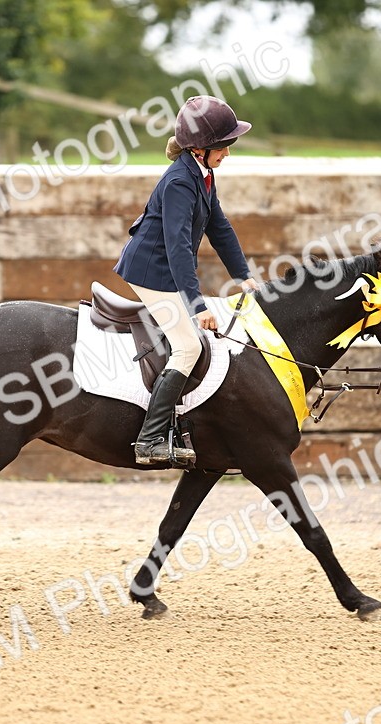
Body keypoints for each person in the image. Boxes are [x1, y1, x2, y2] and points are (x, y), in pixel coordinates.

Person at [113, 95, 259, 466]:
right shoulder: (180, 181)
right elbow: (178, 248)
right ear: (199, 148)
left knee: (193, 344)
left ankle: (177, 429)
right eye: (223, 147)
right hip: (151, 271)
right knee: (189, 347)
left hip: (166, 267)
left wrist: (243, 275)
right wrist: (197, 307)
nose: (227, 153)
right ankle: (149, 439)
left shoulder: (202, 174)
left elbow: (219, 226)